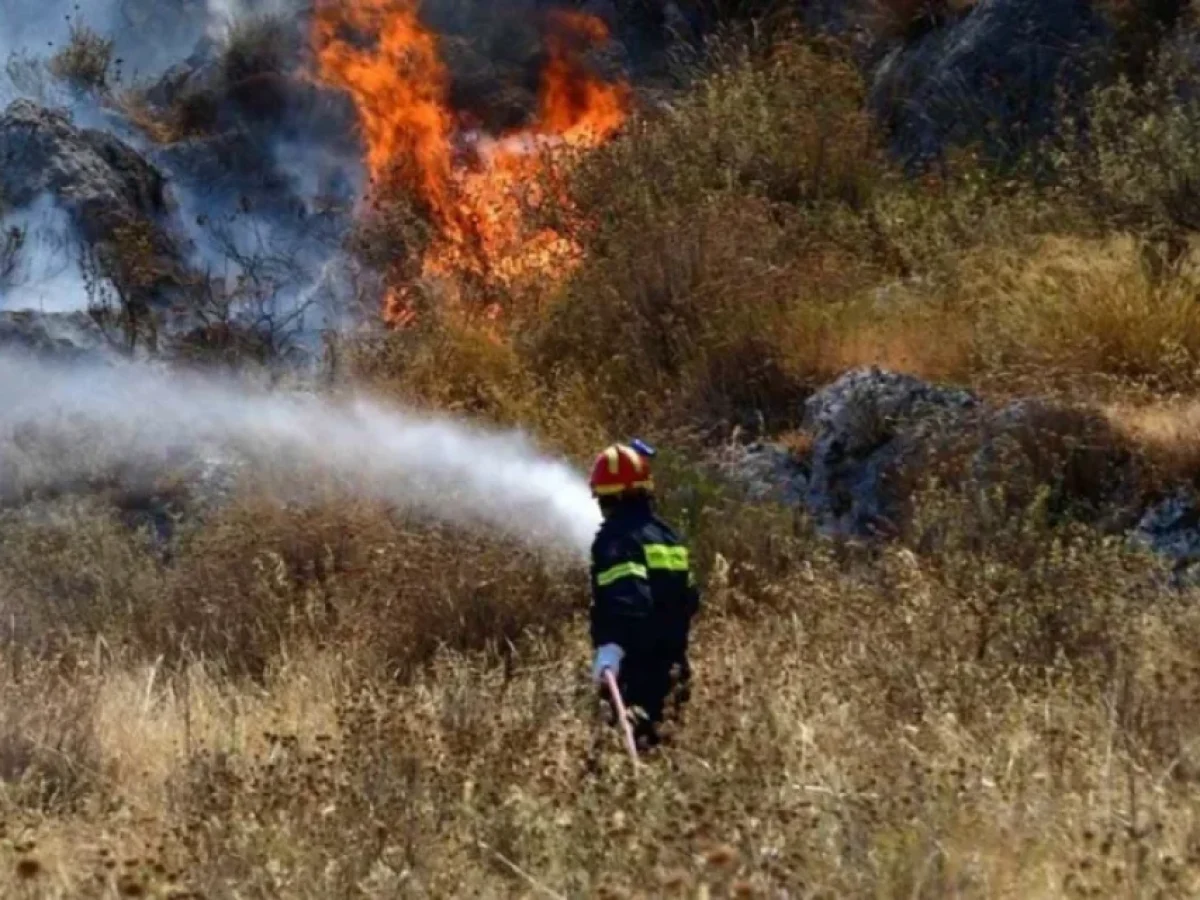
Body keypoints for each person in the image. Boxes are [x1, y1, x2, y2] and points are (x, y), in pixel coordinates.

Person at [587, 440, 700, 750]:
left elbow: (629, 601)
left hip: (635, 678)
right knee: (666, 761)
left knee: (620, 762)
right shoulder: (668, 536)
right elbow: (690, 599)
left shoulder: (615, 540)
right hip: (676, 671)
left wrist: (612, 648)